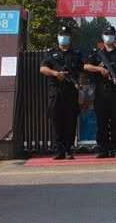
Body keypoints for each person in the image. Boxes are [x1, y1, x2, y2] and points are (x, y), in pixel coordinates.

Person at [83, 26, 116, 158]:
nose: (109, 36)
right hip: (101, 92)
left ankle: (115, 148)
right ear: (102, 36)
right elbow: (86, 66)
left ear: (115, 36)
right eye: (106, 34)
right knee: (101, 123)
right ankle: (103, 149)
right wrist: (99, 69)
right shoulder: (97, 53)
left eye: (111, 34)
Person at [39, 25, 82, 160]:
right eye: (62, 35)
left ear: (70, 38)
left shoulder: (76, 54)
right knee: (56, 121)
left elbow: (82, 71)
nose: (64, 38)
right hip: (56, 92)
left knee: (70, 122)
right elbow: (42, 69)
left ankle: (69, 149)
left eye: (66, 36)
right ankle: (59, 150)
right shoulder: (51, 53)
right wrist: (55, 73)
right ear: (58, 37)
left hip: (71, 92)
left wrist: (81, 88)